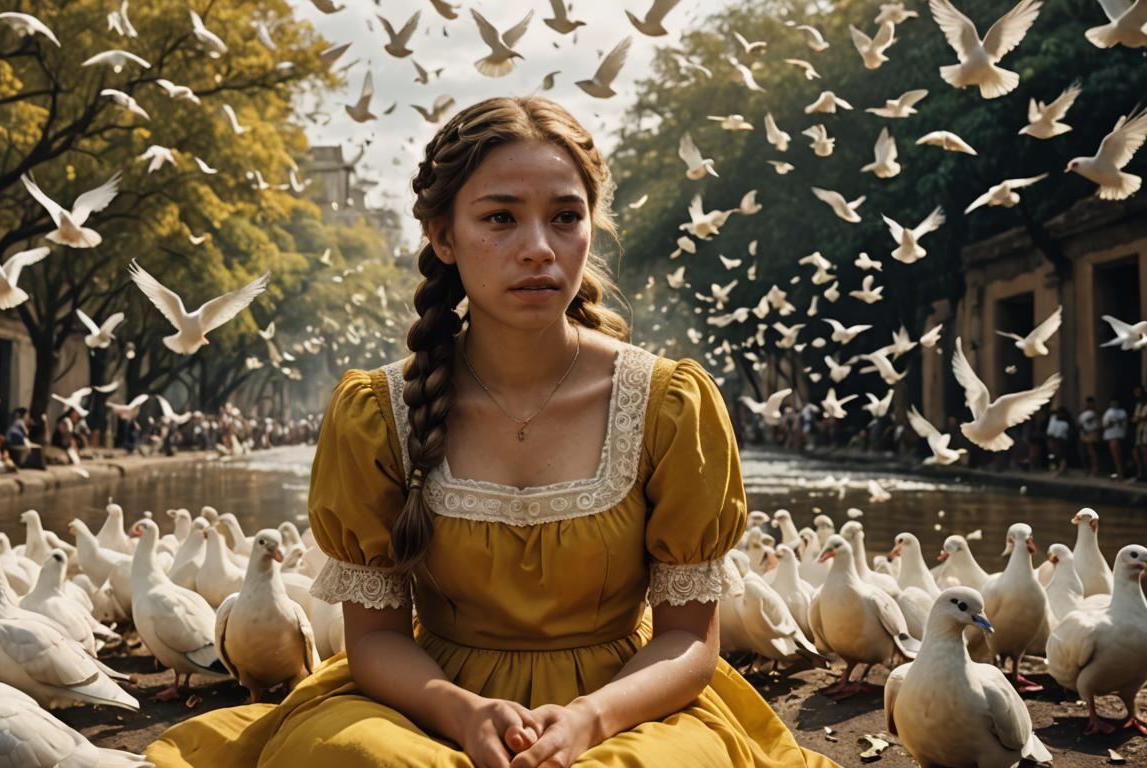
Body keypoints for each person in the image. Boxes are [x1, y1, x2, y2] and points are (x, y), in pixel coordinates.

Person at [146, 98, 834, 768]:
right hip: (427, 704)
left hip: (628, 707)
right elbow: (376, 640)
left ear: (591, 228)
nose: (538, 248)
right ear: (443, 237)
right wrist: (463, 713)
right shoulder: (377, 412)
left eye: (566, 217)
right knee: (359, 755)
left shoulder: (668, 405)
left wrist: (591, 718)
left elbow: (688, 638)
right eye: (501, 217)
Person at [1101, 397, 1129, 479]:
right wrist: (1111, 423)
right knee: (1114, 456)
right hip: (1111, 436)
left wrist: (1116, 422)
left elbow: (1123, 423)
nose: (1114, 404)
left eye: (1115, 402)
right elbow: (1105, 425)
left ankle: (1121, 473)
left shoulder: (1122, 412)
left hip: (1119, 435)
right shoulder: (1108, 412)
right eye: (1113, 402)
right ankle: (1118, 473)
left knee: (1118, 456)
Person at [1077, 396, 1101, 475]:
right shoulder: (1083, 412)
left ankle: (1095, 468)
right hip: (1084, 434)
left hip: (1092, 433)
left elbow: (1097, 422)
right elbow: (1080, 422)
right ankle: (1087, 468)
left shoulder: (1095, 412)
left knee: (1092, 451)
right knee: (1085, 452)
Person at [1045, 406, 1072, 476]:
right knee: (1055, 454)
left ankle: (1062, 469)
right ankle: (1061, 468)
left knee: (1062, 454)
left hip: (1062, 439)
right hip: (1054, 438)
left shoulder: (1066, 420)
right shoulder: (1054, 418)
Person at [1132, 386, 1147, 480]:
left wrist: (1138, 418)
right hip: (1140, 429)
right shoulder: (1139, 405)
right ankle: (1140, 473)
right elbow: (1135, 418)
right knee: (1139, 451)